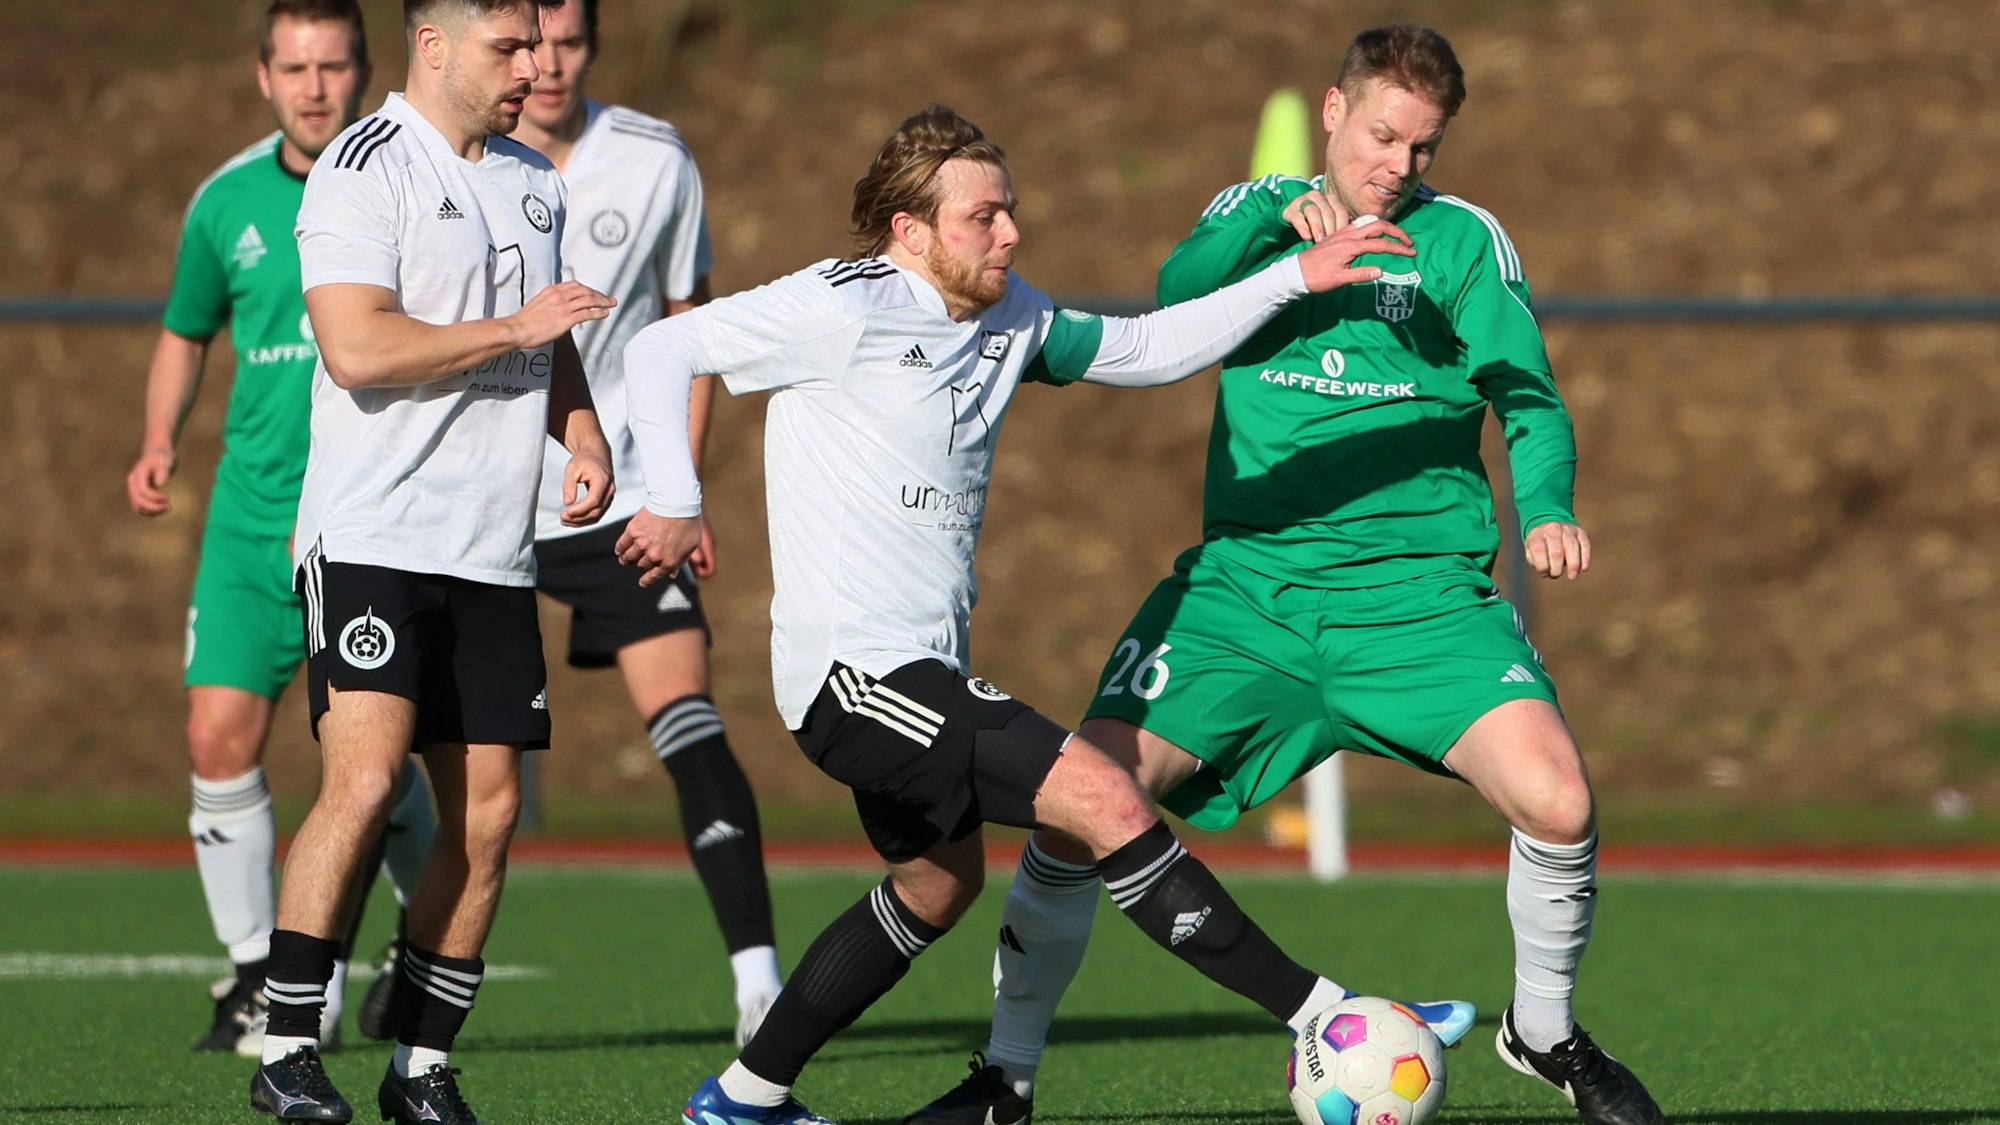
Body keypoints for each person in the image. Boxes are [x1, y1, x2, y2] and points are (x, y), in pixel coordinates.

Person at [616, 104, 1454, 1125]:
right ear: (908, 232)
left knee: (936, 887)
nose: (1009, 234)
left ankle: (745, 1097)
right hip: (857, 677)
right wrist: (674, 497)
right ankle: (1327, 1017)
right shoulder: (844, 303)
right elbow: (662, 350)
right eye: (982, 218)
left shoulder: (1009, 320)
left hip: (914, 671)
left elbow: (1144, 349)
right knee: (1104, 800)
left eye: (1009, 211)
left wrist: (1291, 277)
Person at [905, 25, 1666, 1125]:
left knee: (1557, 800)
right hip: (1242, 599)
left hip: (1415, 599)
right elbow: (1170, 304)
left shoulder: (1459, 240)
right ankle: (1004, 1079)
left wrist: (1545, 507)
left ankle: (1541, 1031)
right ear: (1330, 112)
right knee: (1075, 808)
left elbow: (1528, 396)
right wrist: (1273, 218)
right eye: (1380, 135)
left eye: (1421, 146)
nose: (1396, 166)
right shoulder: (1251, 212)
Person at [246, 0, 615, 1121]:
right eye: (510, 48)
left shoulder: (534, 180)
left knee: (490, 814)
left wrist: (583, 431)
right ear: (435, 45)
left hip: (490, 545)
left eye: (542, 46)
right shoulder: (363, 167)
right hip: (374, 533)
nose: (535, 67)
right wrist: (513, 330)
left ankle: (421, 1065)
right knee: (363, 779)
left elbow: (551, 344)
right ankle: (285, 1048)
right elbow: (358, 346)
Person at [124, 0, 436, 1059]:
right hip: (253, 523)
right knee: (217, 737)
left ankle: (413, 944)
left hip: (369, 523)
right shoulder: (225, 202)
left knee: (381, 769)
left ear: (365, 70)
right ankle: (260, 977)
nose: (315, 87)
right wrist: (158, 437)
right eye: (294, 67)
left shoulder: (413, 182)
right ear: (264, 77)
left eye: (334, 65)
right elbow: (184, 330)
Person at [511, 0, 784, 1047]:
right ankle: (386, 968)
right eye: (529, 42)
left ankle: (757, 983)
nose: (548, 63)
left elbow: (693, 326)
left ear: (593, 45)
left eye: (569, 41)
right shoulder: (451, 167)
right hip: (483, 500)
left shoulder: (653, 161)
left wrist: (684, 491)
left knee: (687, 721)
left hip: (620, 500)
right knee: (437, 757)